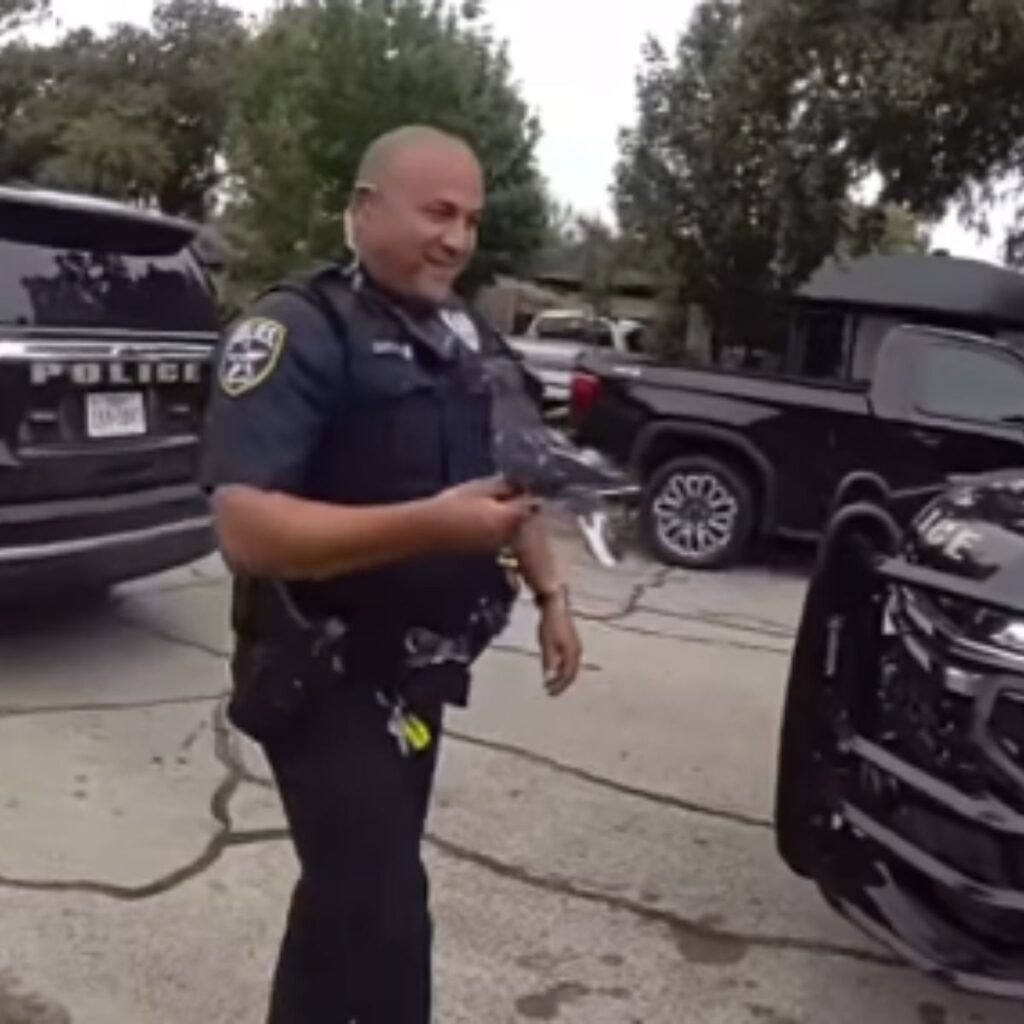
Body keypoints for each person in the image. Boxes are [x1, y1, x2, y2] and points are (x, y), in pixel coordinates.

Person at [200, 125, 583, 1024]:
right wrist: (431, 525)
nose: (457, 239)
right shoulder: (293, 329)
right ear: (365, 210)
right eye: (437, 213)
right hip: (321, 677)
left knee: (343, 902)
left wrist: (552, 595)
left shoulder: (463, 330)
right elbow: (246, 527)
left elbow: (514, 470)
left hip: (415, 680)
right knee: (388, 923)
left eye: (472, 220)